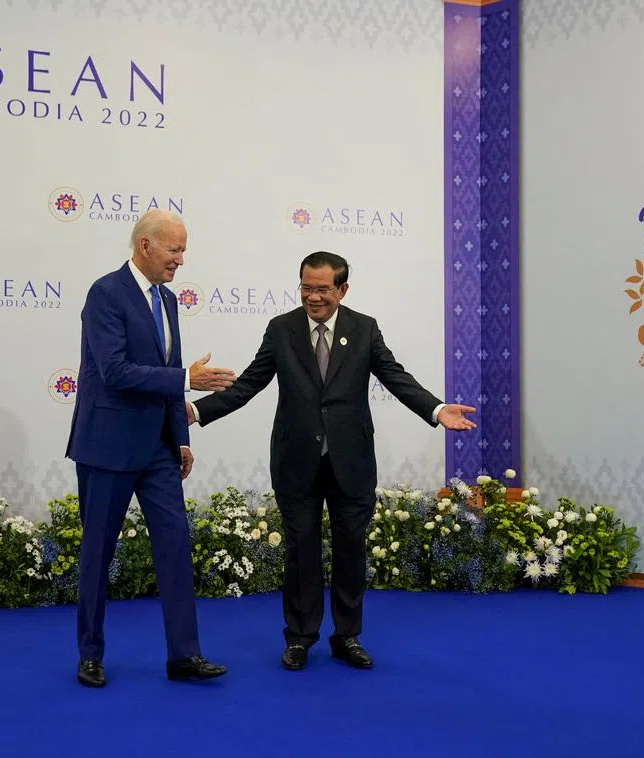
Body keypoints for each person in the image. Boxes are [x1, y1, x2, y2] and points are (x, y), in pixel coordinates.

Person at [188, 251, 476, 671]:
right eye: (306, 287)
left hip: (351, 461)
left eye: (323, 289)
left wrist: (436, 409)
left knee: (350, 552)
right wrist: (196, 411)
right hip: (296, 460)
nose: (313, 297)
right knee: (300, 552)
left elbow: (395, 377)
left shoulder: (364, 329)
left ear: (343, 289)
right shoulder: (281, 329)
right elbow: (249, 384)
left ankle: (347, 637)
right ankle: (300, 638)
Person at [66, 209, 237, 687]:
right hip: (107, 448)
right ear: (145, 246)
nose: (181, 260)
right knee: (97, 554)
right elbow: (114, 372)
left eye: (183, 250)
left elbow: (170, 372)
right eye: (175, 249)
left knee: (176, 547)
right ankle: (90, 654)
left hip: (159, 450)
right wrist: (188, 378)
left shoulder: (169, 300)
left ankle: (184, 656)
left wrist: (180, 438)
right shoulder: (105, 294)